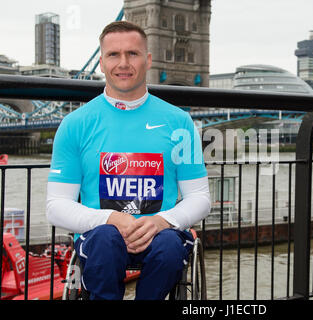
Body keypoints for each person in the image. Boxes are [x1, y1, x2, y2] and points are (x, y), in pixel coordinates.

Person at [46, 21, 210, 300]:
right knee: (104, 239)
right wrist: (109, 218)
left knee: (170, 246)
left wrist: (163, 221)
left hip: (160, 237)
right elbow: (55, 206)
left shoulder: (178, 121)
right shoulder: (75, 124)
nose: (123, 63)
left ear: (147, 60)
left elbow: (200, 197)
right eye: (113, 54)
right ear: (101, 62)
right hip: (100, 238)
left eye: (132, 54)